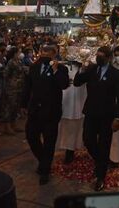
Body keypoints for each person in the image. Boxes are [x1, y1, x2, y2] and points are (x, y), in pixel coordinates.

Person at [74, 46, 119, 191]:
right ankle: (101, 161)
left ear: (109, 58)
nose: (98, 58)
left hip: (107, 115)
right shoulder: (91, 69)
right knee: (88, 140)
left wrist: (118, 117)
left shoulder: (116, 74)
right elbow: (77, 83)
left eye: (102, 56)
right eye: (98, 55)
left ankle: (100, 176)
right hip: (90, 113)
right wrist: (82, 69)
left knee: (104, 144)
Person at [23, 45, 69, 185]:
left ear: (54, 55)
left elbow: (64, 85)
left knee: (49, 142)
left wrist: (55, 71)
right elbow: (28, 86)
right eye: (43, 52)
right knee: (31, 136)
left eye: (47, 52)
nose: (44, 54)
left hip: (51, 112)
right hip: (35, 110)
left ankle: (45, 170)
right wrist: (23, 104)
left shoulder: (61, 69)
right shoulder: (34, 67)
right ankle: (44, 161)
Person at [56, 61, 87, 164]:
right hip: (65, 101)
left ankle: (71, 150)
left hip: (78, 102)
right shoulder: (63, 67)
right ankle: (64, 148)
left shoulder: (84, 68)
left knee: (76, 127)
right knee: (63, 126)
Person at [0, 47, 25, 135]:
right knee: (9, 107)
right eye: (19, 52)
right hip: (11, 88)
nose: (20, 54)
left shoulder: (19, 62)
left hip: (19, 87)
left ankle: (14, 124)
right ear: (14, 53)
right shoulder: (11, 62)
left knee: (15, 107)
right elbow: (5, 74)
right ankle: (7, 127)